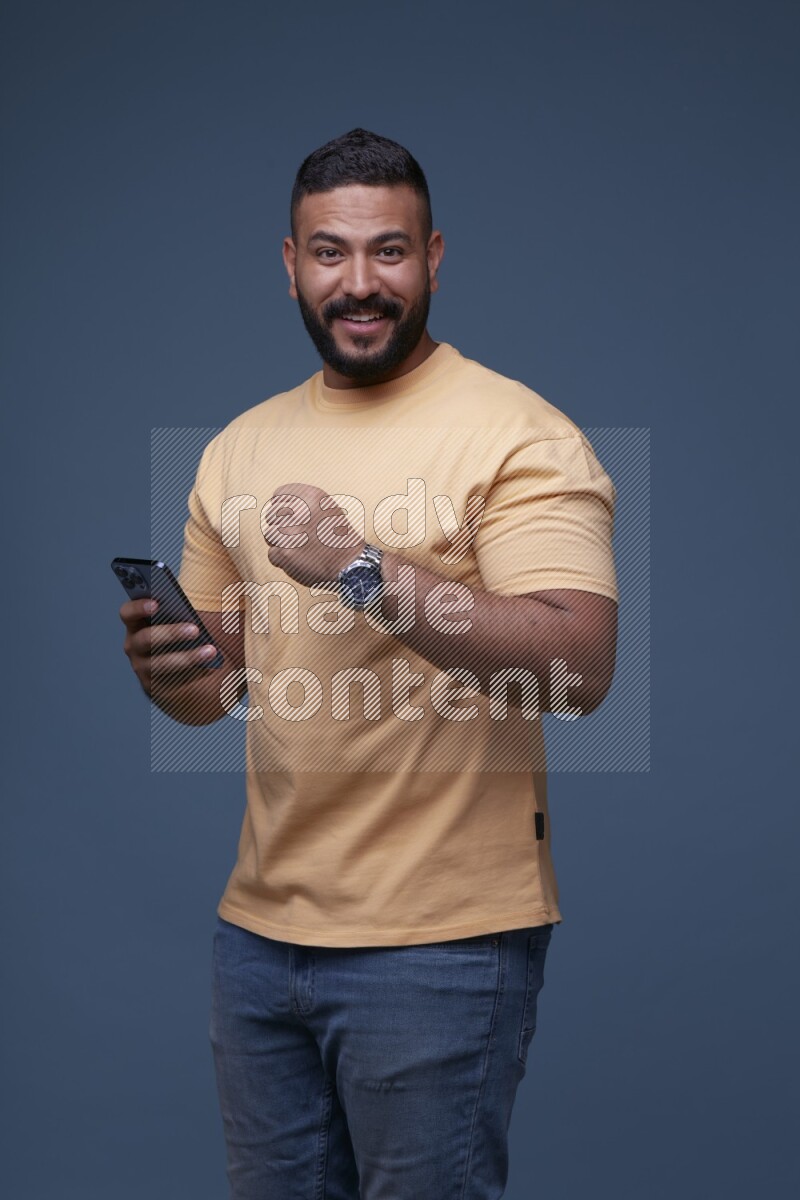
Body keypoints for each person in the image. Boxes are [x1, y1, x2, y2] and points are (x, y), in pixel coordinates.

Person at [120, 128, 618, 1199]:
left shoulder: (518, 435)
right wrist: (167, 664)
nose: (358, 283)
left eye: (386, 252)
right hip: (258, 936)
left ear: (433, 256)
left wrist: (356, 567)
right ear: (288, 264)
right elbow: (211, 696)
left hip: (441, 946)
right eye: (329, 253)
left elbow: (575, 669)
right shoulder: (235, 449)